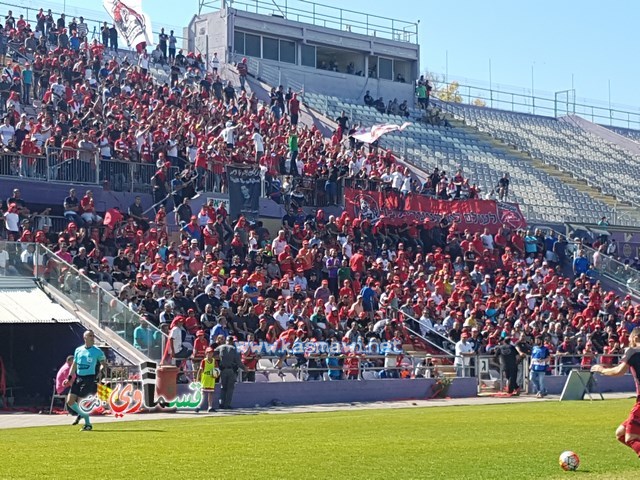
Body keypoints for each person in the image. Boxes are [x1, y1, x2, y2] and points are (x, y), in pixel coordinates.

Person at [591, 327, 640, 459]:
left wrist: (600, 369)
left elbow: (618, 371)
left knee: (630, 437)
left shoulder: (633, 351)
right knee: (621, 433)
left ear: (635, 338)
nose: (628, 341)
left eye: (629, 338)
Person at [61, 330, 106, 431]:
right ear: (84, 337)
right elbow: (74, 365)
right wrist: (68, 378)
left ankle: (88, 424)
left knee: (81, 403)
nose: (92, 337)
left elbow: (103, 363)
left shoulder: (97, 351)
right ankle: (82, 414)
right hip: (78, 378)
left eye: (93, 336)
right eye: (90, 336)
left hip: (89, 378)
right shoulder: (78, 350)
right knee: (70, 401)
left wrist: (101, 369)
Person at [214, 336, 245, 409]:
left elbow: (212, 353)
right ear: (232, 342)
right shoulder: (233, 349)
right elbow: (238, 361)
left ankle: (221, 403)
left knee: (223, 387)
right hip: (231, 370)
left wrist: (219, 358)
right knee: (230, 388)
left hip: (222, 370)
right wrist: (244, 368)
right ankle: (227, 405)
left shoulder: (221, 347)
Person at [196, 347, 219, 413]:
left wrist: (216, 374)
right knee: (202, 393)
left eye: (211, 353)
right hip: (205, 379)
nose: (210, 354)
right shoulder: (204, 361)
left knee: (211, 393)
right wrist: (197, 379)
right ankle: (198, 406)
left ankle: (210, 407)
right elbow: (200, 371)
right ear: (206, 353)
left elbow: (217, 370)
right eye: (208, 353)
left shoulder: (214, 361)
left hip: (211, 379)